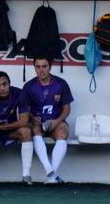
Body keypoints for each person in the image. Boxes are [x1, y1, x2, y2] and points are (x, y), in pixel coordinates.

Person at [23, 56, 73, 184]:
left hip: (56, 120)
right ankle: (48, 168)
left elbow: (66, 109)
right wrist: (33, 118)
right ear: (34, 68)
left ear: (50, 67)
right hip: (37, 123)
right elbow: (26, 111)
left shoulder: (61, 84)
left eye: (44, 66)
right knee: (34, 130)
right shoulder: (29, 86)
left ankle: (51, 175)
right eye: (38, 67)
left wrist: (57, 121)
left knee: (63, 132)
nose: (41, 70)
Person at [0, 71, 34, 185]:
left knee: (26, 131)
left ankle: (26, 175)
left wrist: (1, 127)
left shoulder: (19, 93)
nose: (2, 88)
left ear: (9, 84)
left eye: (5, 84)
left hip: (7, 127)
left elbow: (23, 121)